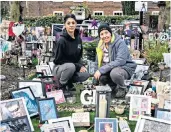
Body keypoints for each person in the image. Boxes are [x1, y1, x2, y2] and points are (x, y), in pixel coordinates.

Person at [94, 23, 137, 98]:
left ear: (110, 33)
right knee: (101, 78)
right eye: (102, 34)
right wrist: (95, 76)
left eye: (106, 33)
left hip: (124, 68)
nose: (105, 36)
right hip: (109, 69)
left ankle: (122, 88)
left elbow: (120, 61)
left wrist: (101, 70)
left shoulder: (120, 43)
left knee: (115, 73)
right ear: (100, 36)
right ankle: (112, 87)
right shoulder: (100, 45)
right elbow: (97, 62)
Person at [53, 14, 90, 90]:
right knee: (70, 67)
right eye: (68, 23)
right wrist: (77, 66)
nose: (71, 25)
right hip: (60, 68)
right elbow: (58, 60)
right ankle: (61, 85)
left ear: (76, 24)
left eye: (73, 23)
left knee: (86, 74)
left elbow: (79, 56)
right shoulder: (61, 41)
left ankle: (69, 83)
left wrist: (81, 66)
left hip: (72, 67)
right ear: (65, 25)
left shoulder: (78, 39)